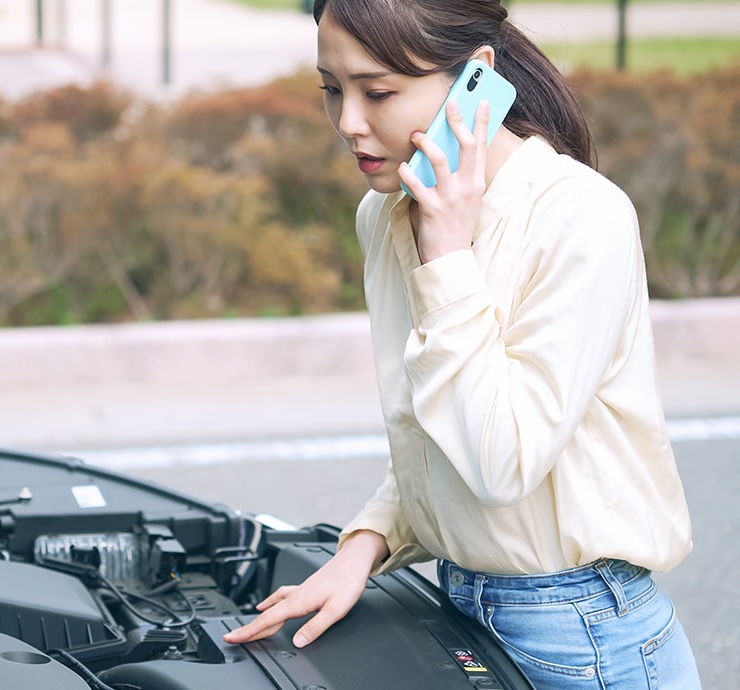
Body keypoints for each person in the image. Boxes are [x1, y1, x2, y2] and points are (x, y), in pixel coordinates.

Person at [222, 1, 702, 688]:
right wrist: (363, 545)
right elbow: (434, 427)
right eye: (331, 88)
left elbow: (499, 463)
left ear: (476, 75)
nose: (350, 122)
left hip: (584, 638)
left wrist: (445, 259)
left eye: (378, 91)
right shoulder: (386, 211)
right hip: (459, 608)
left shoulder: (578, 216)